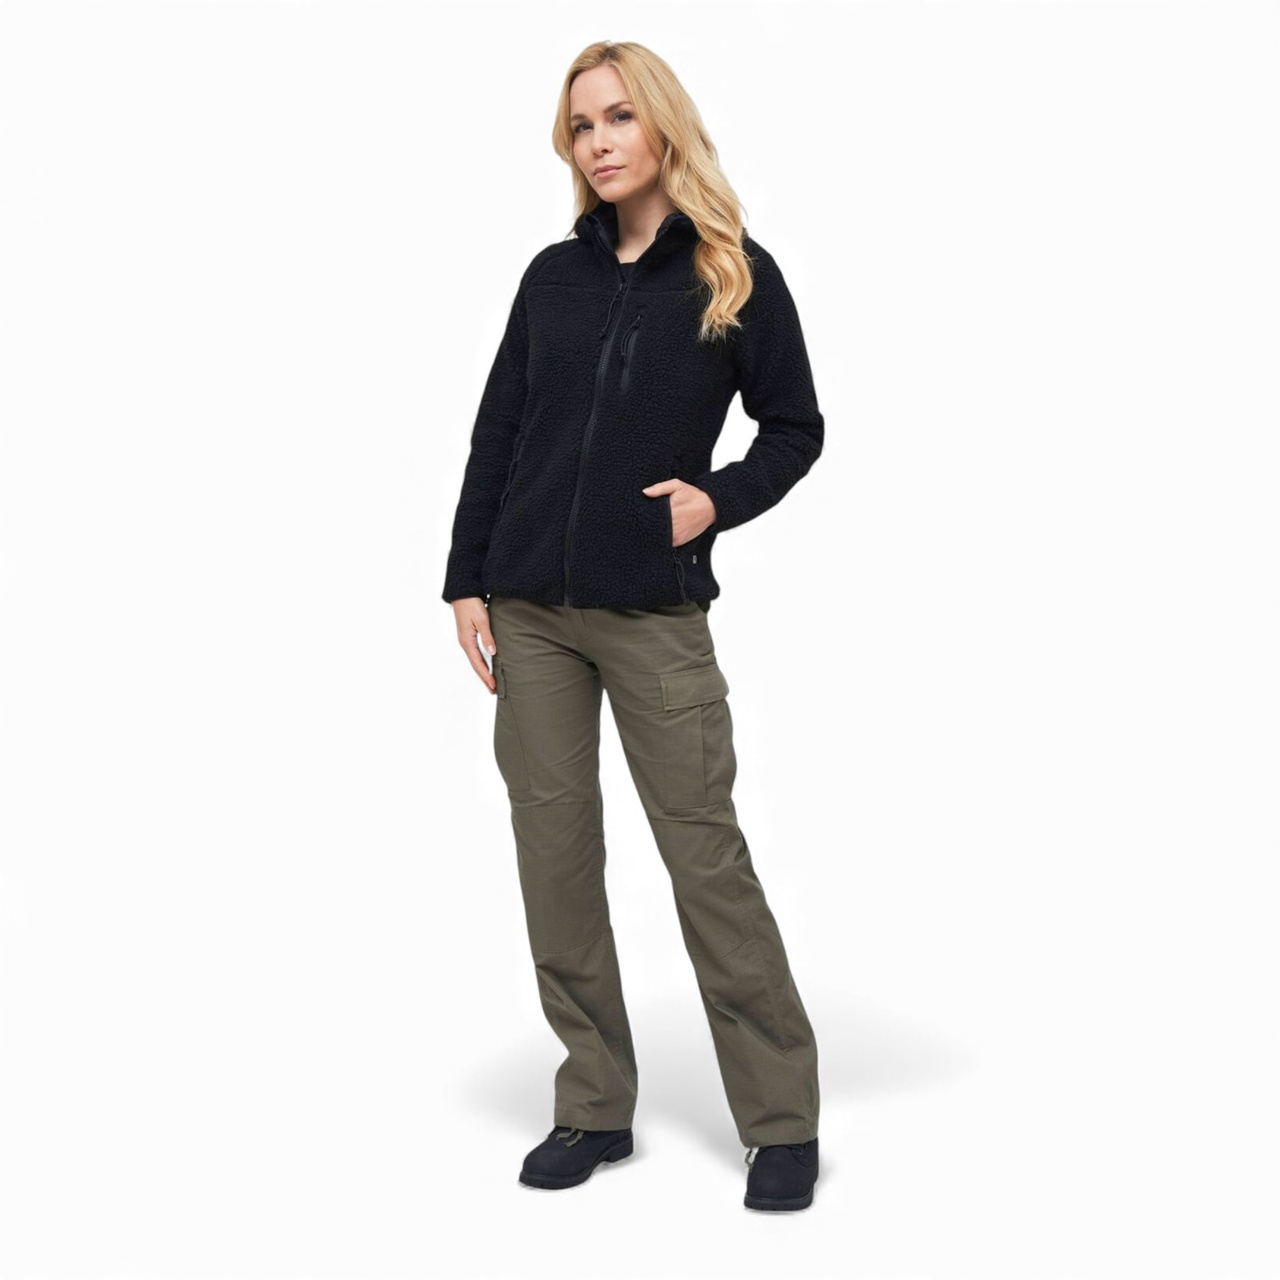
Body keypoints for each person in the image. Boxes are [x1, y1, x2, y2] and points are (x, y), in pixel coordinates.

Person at [442, 40, 825, 1212]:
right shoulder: (549, 278)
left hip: (653, 612)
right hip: (529, 611)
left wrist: (716, 500)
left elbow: (795, 427)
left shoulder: (729, 272)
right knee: (554, 861)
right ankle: (593, 1103)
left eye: (616, 117)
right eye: (580, 126)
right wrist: (465, 579)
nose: (598, 142)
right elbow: (498, 428)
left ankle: (778, 1119)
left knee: (704, 858)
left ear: (660, 125)